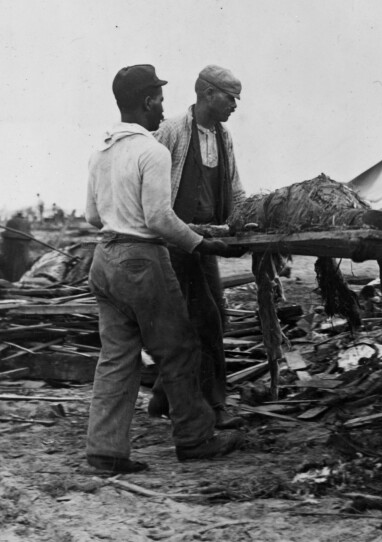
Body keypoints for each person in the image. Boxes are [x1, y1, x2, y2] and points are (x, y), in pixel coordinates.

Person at [84, 64, 244, 474]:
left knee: (116, 358)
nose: (161, 108)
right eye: (157, 100)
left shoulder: (101, 150)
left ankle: (105, 451)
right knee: (180, 347)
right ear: (145, 102)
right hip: (142, 259)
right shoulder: (153, 151)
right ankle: (195, 438)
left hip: (104, 261)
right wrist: (201, 243)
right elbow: (159, 217)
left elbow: (90, 216)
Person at [148, 64, 247, 429]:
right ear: (207, 94)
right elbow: (150, 186)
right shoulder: (171, 131)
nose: (235, 105)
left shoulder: (225, 137)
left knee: (212, 315)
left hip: (208, 242)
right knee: (203, 320)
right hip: (175, 242)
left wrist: (244, 223)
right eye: (230, 97)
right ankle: (215, 405)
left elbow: (235, 188)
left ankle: (161, 398)